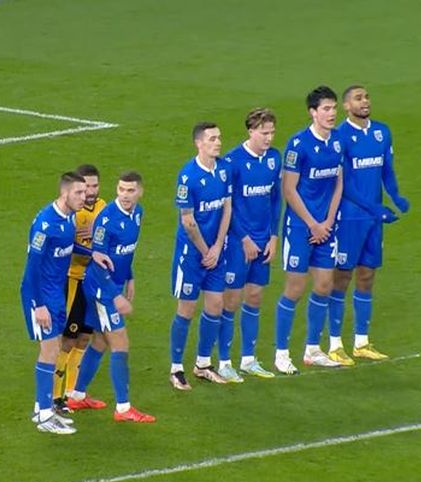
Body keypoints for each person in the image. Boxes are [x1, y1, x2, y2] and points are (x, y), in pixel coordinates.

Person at [327, 85, 409, 364]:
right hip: (350, 217)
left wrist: (396, 196)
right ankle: (335, 344)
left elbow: (387, 169)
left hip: (374, 219)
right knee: (342, 277)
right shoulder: (339, 136)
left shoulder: (381, 132)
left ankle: (361, 342)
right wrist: (375, 208)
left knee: (367, 275)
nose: (365, 102)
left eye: (366, 97)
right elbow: (345, 184)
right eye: (358, 98)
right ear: (346, 106)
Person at [67, 172, 155, 422]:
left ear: (140, 192)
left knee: (99, 341)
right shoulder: (106, 220)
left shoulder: (137, 213)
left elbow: (125, 253)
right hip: (101, 290)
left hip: (112, 286)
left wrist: (130, 277)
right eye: (121, 190)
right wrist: (115, 296)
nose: (125, 195)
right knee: (120, 343)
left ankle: (77, 395)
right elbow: (98, 261)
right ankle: (124, 409)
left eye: (130, 190)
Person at [274, 86, 344, 374]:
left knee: (325, 285)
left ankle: (313, 349)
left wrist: (328, 221)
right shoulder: (298, 145)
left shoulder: (337, 141)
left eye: (334, 108)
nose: (331, 113)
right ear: (313, 112)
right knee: (294, 288)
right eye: (326, 109)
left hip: (326, 228)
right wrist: (313, 223)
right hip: (300, 228)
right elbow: (289, 189)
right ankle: (281, 353)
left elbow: (339, 183)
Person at [20, 172, 87, 435]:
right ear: (64, 193)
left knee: (55, 348)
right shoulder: (45, 224)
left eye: (85, 192)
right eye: (78, 192)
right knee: (48, 351)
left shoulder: (69, 218)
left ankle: (43, 408)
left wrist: (93, 254)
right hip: (40, 296)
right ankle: (44, 415)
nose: (84, 197)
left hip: (56, 294)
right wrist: (38, 305)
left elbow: (69, 247)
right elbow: (31, 268)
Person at [219, 109, 282, 381]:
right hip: (237, 242)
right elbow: (227, 207)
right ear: (251, 131)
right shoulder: (232, 162)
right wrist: (244, 238)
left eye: (272, 133)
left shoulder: (274, 158)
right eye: (264, 133)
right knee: (231, 301)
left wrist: (274, 237)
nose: (269, 138)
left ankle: (248, 359)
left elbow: (276, 199)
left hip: (263, 240)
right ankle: (223, 362)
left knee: (255, 297)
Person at [169, 122, 232, 390]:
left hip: (215, 252)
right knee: (186, 308)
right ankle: (176, 368)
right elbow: (188, 221)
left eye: (219, 138)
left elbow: (227, 208)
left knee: (215, 305)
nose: (218, 142)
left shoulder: (224, 169)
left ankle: (203, 364)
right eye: (212, 139)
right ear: (199, 143)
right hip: (192, 255)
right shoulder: (188, 176)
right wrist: (207, 251)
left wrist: (217, 247)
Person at [53, 164, 108, 413]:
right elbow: (65, 248)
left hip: (93, 283)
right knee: (67, 340)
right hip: (72, 280)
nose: (91, 192)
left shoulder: (104, 208)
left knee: (85, 338)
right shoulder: (71, 213)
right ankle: (56, 397)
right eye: (86, 188)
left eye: (95, 186)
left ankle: (74, 393)